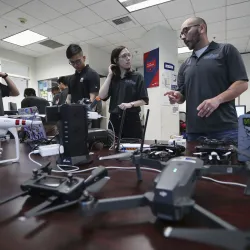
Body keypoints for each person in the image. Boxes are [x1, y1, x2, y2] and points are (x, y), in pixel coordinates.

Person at [165, 17, 248, 144]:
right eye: (181, 33)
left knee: (229, 164)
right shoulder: (185, 65)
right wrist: (177, 96)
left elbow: (242, 83)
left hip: (225, 130)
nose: (182, 36)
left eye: (186, 30)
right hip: (194, 132)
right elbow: (182, 95)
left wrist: (217, 99)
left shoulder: (225, 50)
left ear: (201, 28)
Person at [99, 46, 149, 139]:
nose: (128, 58)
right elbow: (101, 96)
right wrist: (109, 75)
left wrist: (130, 104)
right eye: (124, 56)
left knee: (133, 150)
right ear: (116, 60)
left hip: (132, 120)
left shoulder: (137, 76)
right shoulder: (113, 78)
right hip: (114, 120)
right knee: (113, 149)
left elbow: (144, 100)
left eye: (129, 55)